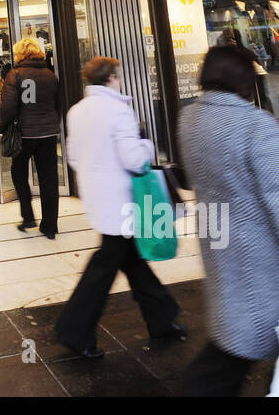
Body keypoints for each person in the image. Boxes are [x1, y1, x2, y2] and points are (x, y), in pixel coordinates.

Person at [178, 45, 279, 396]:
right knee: (237, 357)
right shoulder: (258, 128)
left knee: (237, 345)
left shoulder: (189, 119)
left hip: (219, 247)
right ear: (247, 79)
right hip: (264, 262)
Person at [54, 56, 183, 359]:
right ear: (111, 78)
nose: (121, 79)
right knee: (106, 265)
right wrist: (148, 146)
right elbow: (134, 160)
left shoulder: (77, 111)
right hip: (123, 200)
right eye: (119, 75)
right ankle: (75, 331)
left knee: (131, 259)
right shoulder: (119, 110)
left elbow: (73, 157)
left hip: (98, 198)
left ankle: (163, 318)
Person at [0, 36, 63, 238]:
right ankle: (50, 226)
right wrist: (52, 123)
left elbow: (8, 108)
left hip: (24, 135)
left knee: (19, 173)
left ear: (20, 54)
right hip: (48, 134)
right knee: (49, 179)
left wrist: (2, 125)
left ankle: (28, 216)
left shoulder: (15, 75)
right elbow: (58, 104)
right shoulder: (50, 75)